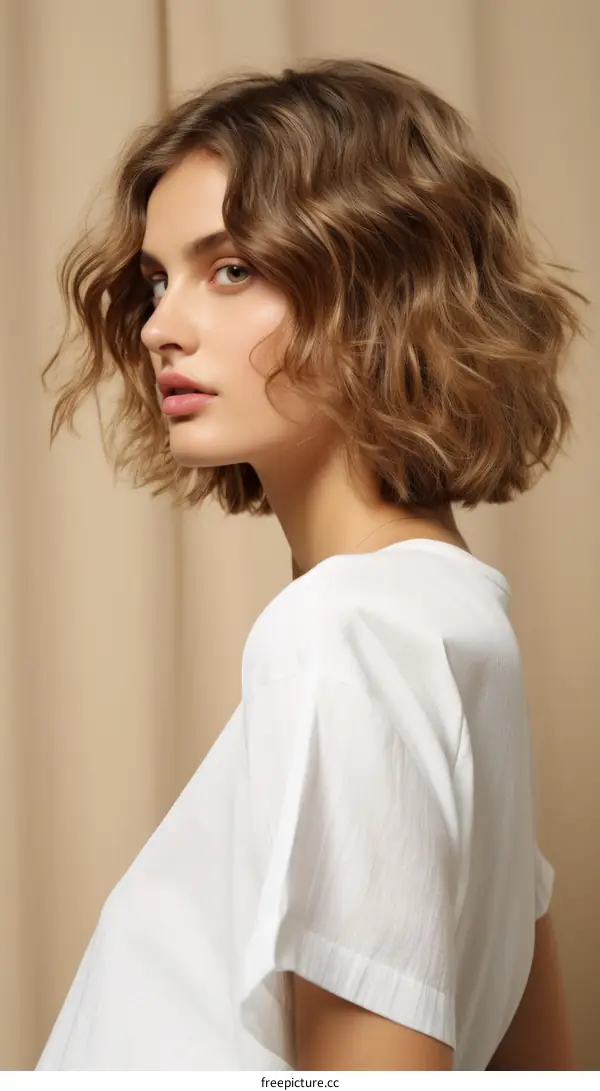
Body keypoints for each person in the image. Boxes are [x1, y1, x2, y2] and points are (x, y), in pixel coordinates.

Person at [37, 58, 587, 1071]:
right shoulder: (453, 617)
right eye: (158, 280)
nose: (159, 327)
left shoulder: (348, 628)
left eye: (232, 269)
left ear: (382, 289)